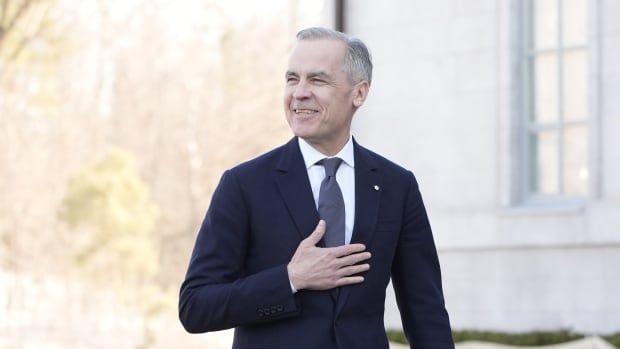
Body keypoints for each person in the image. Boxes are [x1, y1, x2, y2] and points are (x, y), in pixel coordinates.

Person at [179, 27, 454, 349]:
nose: (299, 92)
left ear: (359, 93)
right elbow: (195, 307)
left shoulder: (398, 185)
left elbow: (426, 311)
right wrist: (291, 279)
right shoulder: (243, 185)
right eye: (292, 79)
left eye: (318, 80)